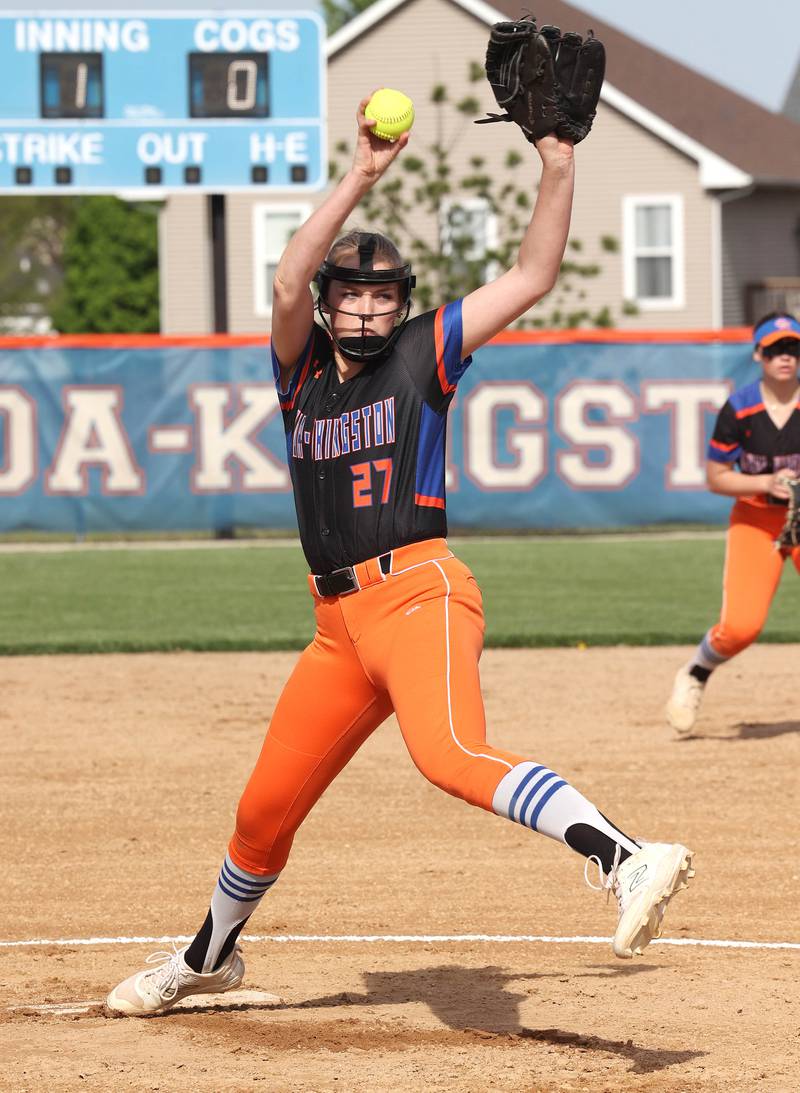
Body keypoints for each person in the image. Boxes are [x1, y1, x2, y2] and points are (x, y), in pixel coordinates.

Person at [107, 93, 694, 1017]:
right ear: (334, 304)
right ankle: (208, 957)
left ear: (402, 307)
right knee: (263, 810)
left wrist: (559, 162)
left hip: (420, 592)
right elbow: (287, 281)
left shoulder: (425, 354)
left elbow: (535, 274)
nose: (369, 309)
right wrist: (361, 177)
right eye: (354, 295)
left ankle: (625, 857)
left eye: (384, 297)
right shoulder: (299, 374)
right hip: (336, 627)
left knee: (450, 752)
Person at [666, 311, 800, 735]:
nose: (786, 356)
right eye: (776, 348)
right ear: (759, 354)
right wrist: (765, 482)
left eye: (793, 348)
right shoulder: (742, 408)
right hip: (757, 518)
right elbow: (716, 477)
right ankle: (696, 672)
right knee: (741, 627)